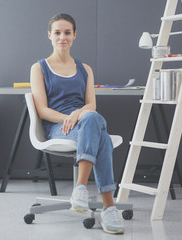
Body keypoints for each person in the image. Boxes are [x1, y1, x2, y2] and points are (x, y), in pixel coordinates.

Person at [30, 13, 124, 234]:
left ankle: (80, 189)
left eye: (67, 32)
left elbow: (91, 105)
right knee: (100, 133)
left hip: (84, 123)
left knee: (92, 119)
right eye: (57, 32)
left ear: (74, 35)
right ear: (49, 36)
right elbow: (43, 110)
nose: (62, 37)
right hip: (58, 127)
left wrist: (79, 114)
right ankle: (109, 207)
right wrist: (70, 117)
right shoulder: (39, 68)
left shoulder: (85, 69)